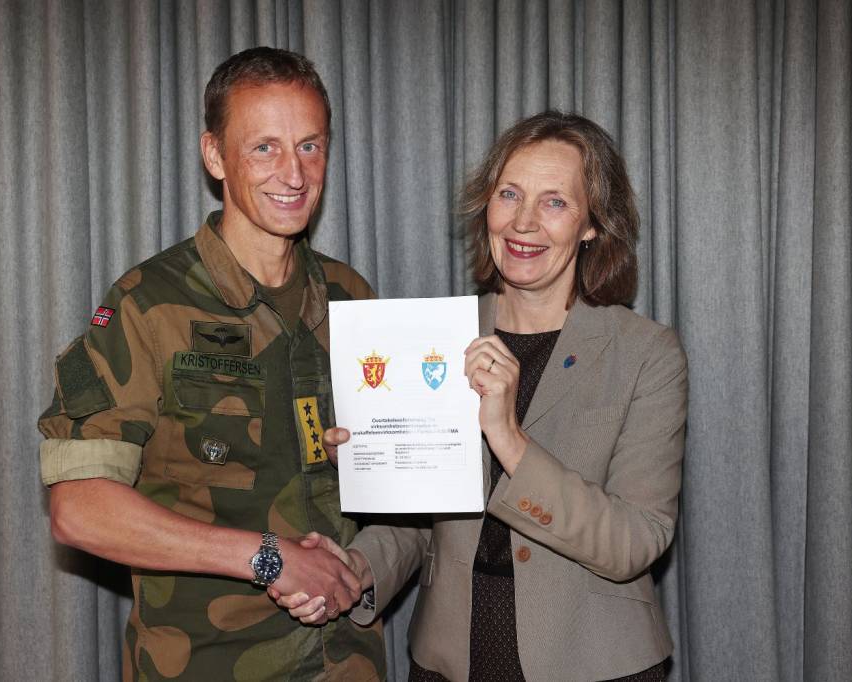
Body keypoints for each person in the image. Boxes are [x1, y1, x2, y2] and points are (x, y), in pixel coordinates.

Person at [276, 111, 688, 681]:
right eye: (509, 194)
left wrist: (509, 439)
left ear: (593, 224)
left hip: (594, 663)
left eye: (554, 202)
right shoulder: (437, 337)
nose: (523, 222)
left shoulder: (645, 354)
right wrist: (355, 564)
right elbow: (425, 524)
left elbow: (635, 542)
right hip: (452, 658)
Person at [37, 47, 386, 681]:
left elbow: (406, 493)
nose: (294, 174)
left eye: (309, 146)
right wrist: (269, 558)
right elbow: (79, 507)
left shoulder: (351, 298)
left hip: (346, 662)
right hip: (204, 664)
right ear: (215, 156)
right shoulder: (149, 305)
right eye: (264, 148)